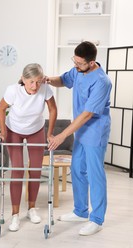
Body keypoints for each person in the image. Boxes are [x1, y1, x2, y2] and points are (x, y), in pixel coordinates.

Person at [46, 41, 112, 236]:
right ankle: (81, 211)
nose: (75, 66)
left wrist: (62, 135)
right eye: (74, 61)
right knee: (77, 170)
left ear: (91, 63)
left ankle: (97, 219)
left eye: (79, 63)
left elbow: (87, 115)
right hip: (80, 131)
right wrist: (47, 80)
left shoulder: (102, 81)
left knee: (95, 174)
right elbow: (63, 80)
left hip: (95, 131)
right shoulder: (78, 70)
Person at [0, 63, 57, 232]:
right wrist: (3, 132)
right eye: (30, 82)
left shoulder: (45, 89)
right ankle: (15, 214)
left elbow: (53, 110)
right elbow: (1, 109)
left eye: (38, 82)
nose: (35, 86)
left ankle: (31, 209)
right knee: (17, 170)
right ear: (23, 79)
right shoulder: (13, 90)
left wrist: (50, 133)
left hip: (36, 130)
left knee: (36, 169)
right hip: (14, 130)